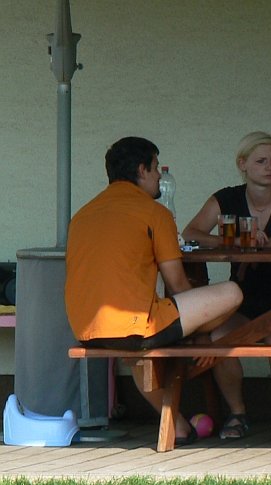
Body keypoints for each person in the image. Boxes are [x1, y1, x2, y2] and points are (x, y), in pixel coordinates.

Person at [65, 136, 243, 446]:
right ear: (142, 170)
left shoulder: (82, 215)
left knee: (137, 357)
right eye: (156, 168)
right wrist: (199, 330)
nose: (160, 175)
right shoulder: (154, 213)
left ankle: (181, 427)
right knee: (231, 292)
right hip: (137, 327)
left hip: (86, 328)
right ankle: (198, 348)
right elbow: (177, 284)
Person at [182, 132, 271, 440]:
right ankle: (237, 414)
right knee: (218, 337)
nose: (270, 167)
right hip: (239, 300)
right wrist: (235, 241)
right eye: (261, 160)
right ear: (243, 164)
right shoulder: (226, 198)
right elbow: (190, 232)